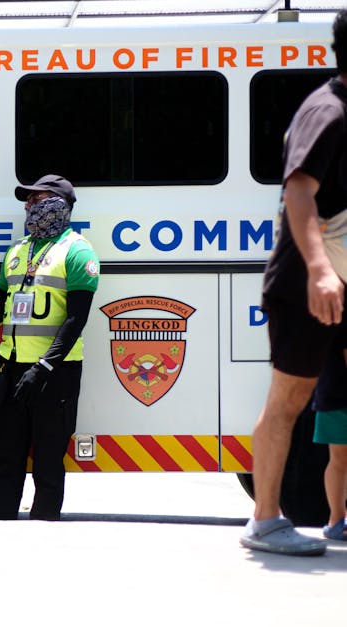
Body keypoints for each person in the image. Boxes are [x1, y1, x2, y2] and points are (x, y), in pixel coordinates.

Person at [239, 12, 347, 556]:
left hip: (338, 277)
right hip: (307, 284)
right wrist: (322, 271)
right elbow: (299, 192)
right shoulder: (327, 112)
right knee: (290, 399)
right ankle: (265, 521)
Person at [0, 174, 99, 520]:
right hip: (13, 370)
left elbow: (76, 319)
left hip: (54, 374)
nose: (28, 205)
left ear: (59, 204)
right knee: (7, 460)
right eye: (27, 200)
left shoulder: (77, 251)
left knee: (48, 463)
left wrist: (43, 367)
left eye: (37, 198)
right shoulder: (17, 251)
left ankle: (43, 533)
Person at [314, 348, 347, 541]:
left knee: (338, 460)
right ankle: (336, 520)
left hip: (333, 396)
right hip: (336, 397)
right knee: (338, 460)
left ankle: (336, 521)